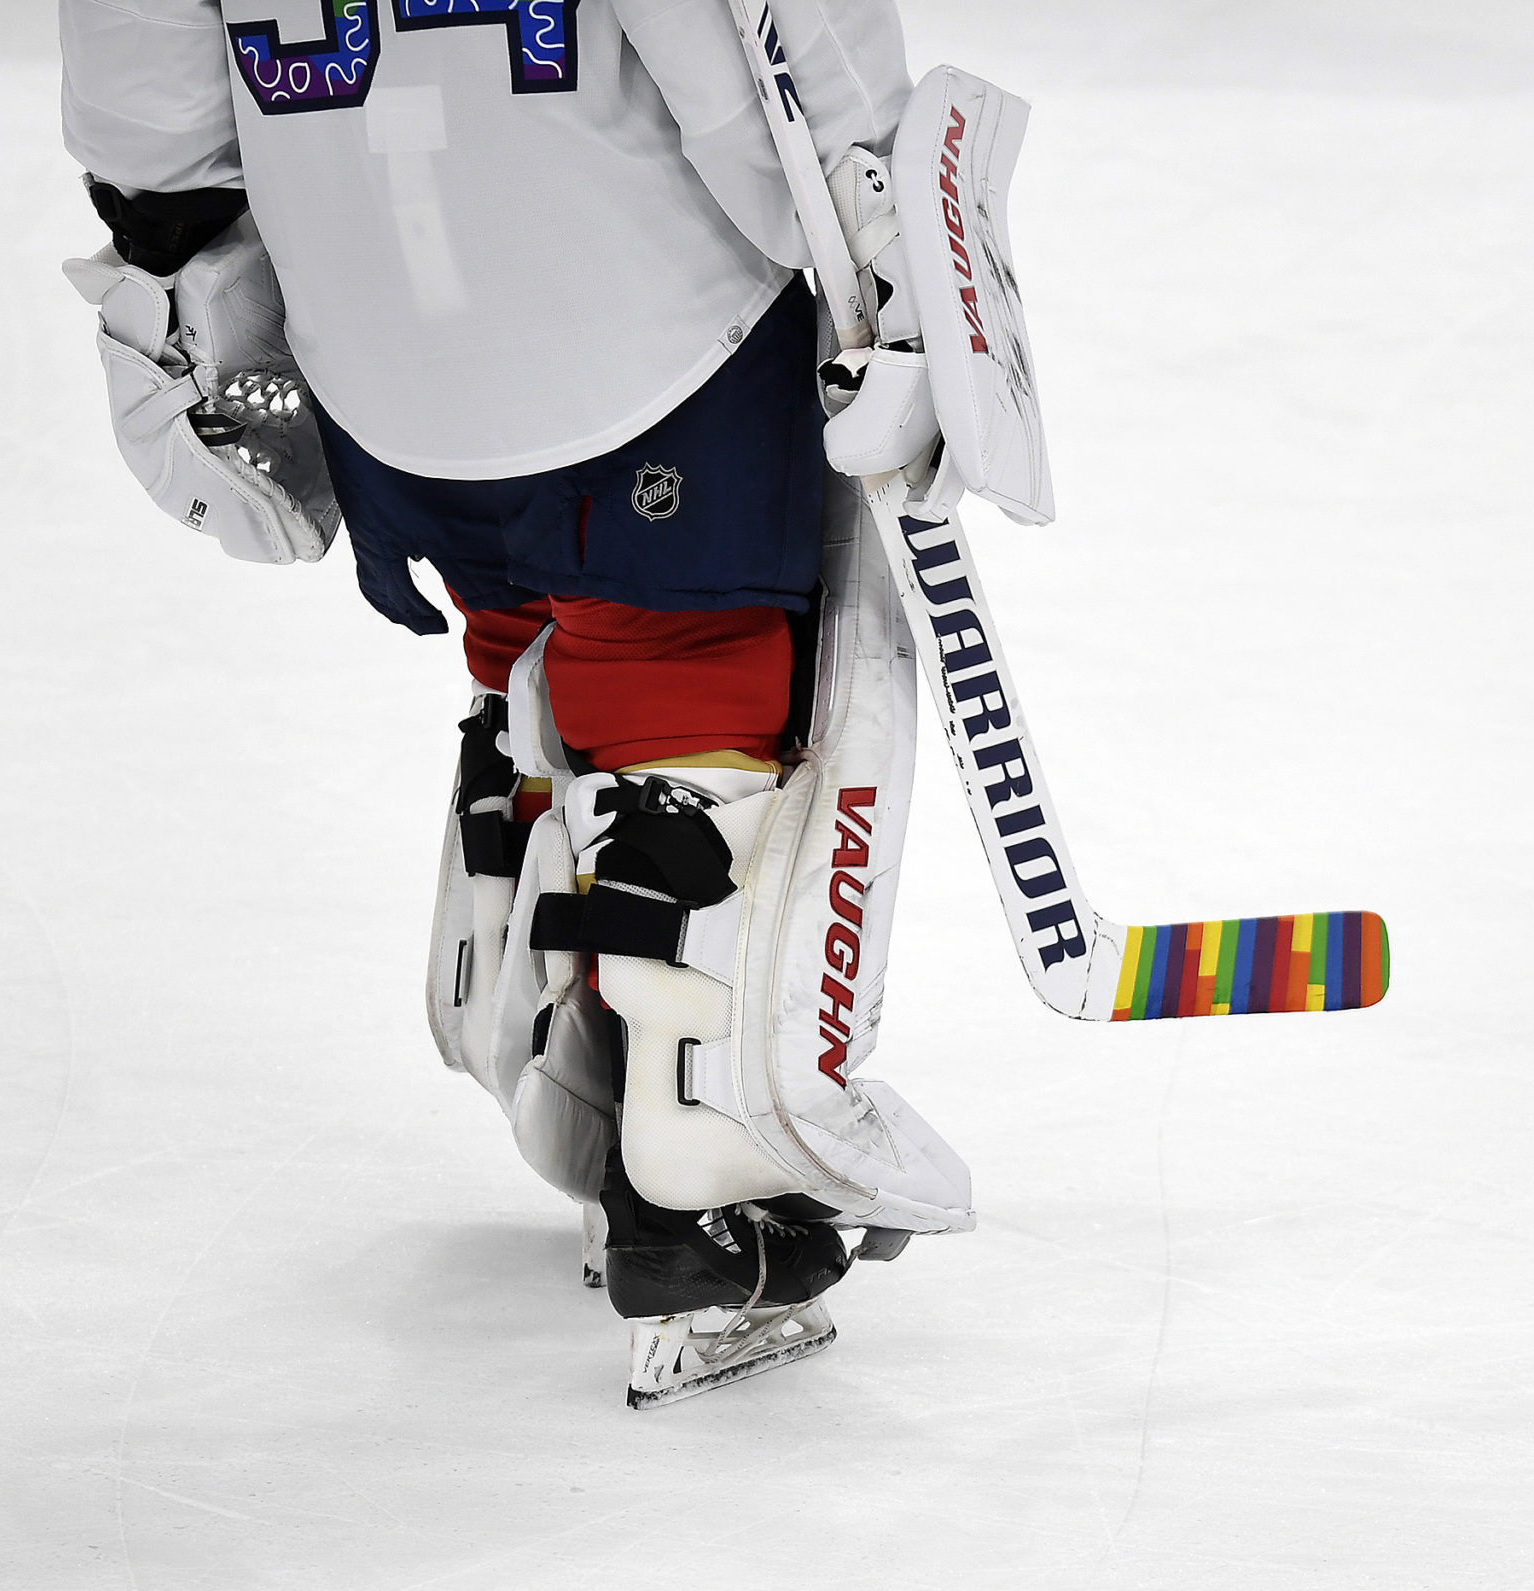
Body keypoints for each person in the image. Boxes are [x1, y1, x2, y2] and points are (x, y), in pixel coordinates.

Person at [57, 0, 973, 1407]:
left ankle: (556, 971)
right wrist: (886, 238)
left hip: (375, 346)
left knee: (536, 609)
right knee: (677, 644)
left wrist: (176, 263)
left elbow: (145, 92)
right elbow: (765, 54)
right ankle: (695, 1133)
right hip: (641, 312)